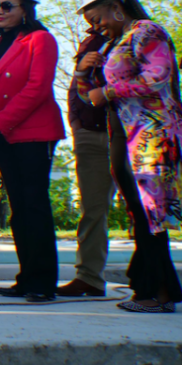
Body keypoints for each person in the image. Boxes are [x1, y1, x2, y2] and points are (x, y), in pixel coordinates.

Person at [76, 0, 182, 313]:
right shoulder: (114, 44)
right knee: (140, 214)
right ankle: (161, 291)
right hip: (126, 136)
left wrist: (106, 90)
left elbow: (157, 76)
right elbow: (91, 98)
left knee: (151, 214)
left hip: (154, 139)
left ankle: (153, 294)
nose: (97, 28)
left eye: (98, 20)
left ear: (116, 6)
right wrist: (82, 73)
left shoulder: (147, 32)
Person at [0, 0, 65, 303]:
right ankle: (27, 278)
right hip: (5, 135)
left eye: (6, 5)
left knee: (33, 207)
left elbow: (37, 89)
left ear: (26, 9)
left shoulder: (41, 40)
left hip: (32, 133)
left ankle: (42, 282)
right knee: (19, 210)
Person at [60, 20, 114, 298]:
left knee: (145, 211)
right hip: (90, 135)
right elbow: (76, 85)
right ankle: (89, 277)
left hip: (130, 136)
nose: (93, 18)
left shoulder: (140, 36)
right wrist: (76, 125)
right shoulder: (90, 41)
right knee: (93, 209)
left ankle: (152, 277)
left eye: (96, 9)